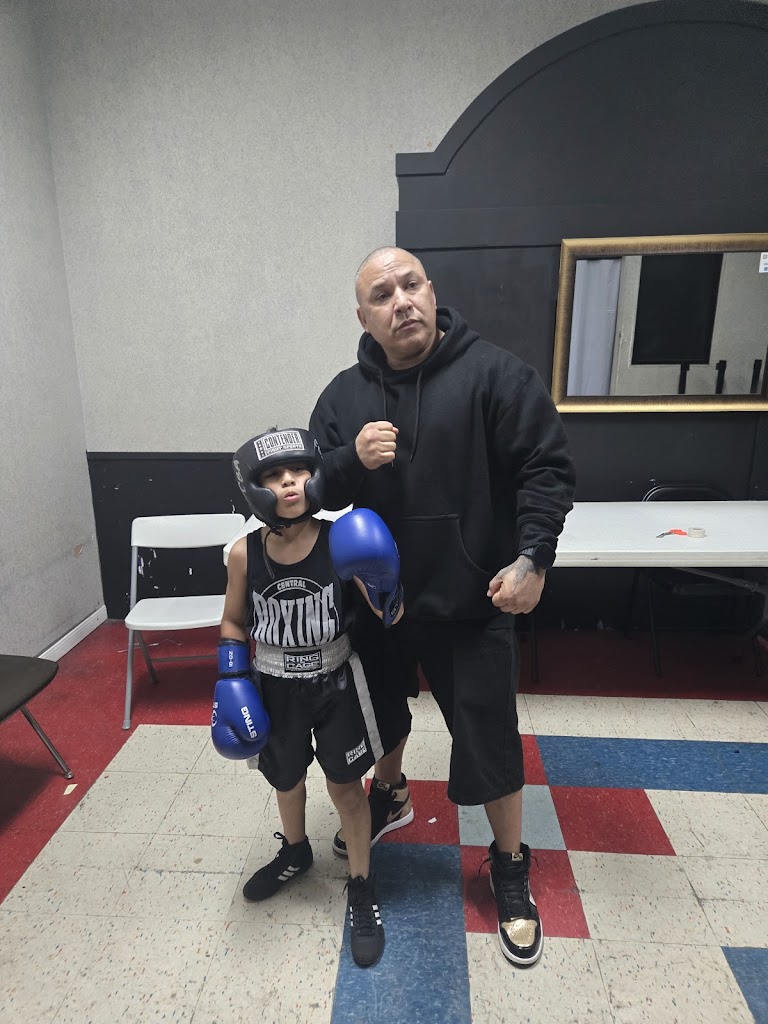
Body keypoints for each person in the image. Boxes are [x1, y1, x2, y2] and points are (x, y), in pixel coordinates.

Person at [309, 247, 576, 967]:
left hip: (472, 599)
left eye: (411, 284)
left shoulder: (495, 375)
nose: (401, 301)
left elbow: (547, 469)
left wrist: (533, 559)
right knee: (379, 718)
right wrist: (349, 460)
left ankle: (510, 864)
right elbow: (314, 489)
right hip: (378, 603)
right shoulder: (343, 397)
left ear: (431, 290)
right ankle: (391, 794)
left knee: (489, 738)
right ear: (362, 316)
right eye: (382, 294)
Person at [212, 426, 403, 968]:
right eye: (275, 475)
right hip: (273, 683)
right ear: (255, 488)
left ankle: (361, 885)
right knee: (286, 778)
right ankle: (295, 852)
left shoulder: (342, 539)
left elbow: (389, 615)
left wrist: (388, 586)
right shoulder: (243, 554)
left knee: (346, 789)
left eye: (298, 471)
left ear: (315, 477)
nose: (290, 482)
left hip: (336, 680)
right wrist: (231, 679)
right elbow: (232, 621)